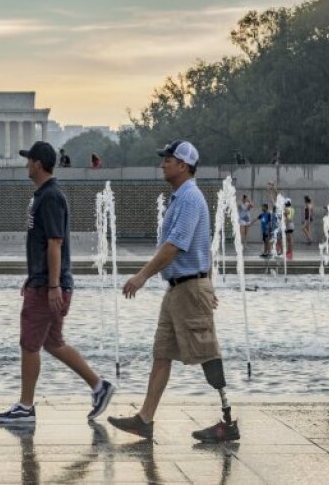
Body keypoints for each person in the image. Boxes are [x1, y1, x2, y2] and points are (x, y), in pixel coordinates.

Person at [107, 140, 239, 442]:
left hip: (190, 289)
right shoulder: (180, 198)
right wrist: (208, 281)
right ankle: (145, 419)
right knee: (162, 353)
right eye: (165, 158)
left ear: (183, 166)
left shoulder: (190, 198)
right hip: (179, 289)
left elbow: (175, 246)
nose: (163, 163)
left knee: (207, 353)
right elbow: (200, 245)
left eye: (169, 159)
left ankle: (227, 420)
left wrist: (142, 276)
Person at [0, 141, 115, 424]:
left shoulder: (50, 196)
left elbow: (55, 243)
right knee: (53, 342)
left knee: (30, 343)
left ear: (38, 163)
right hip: (45, 281)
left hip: (49, 286)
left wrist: (51, 285)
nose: (26, 164)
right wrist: (36, 276)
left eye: (29, 160)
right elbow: (44, 244)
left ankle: (25, 406)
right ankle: (99, 387)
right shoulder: (45, 195)